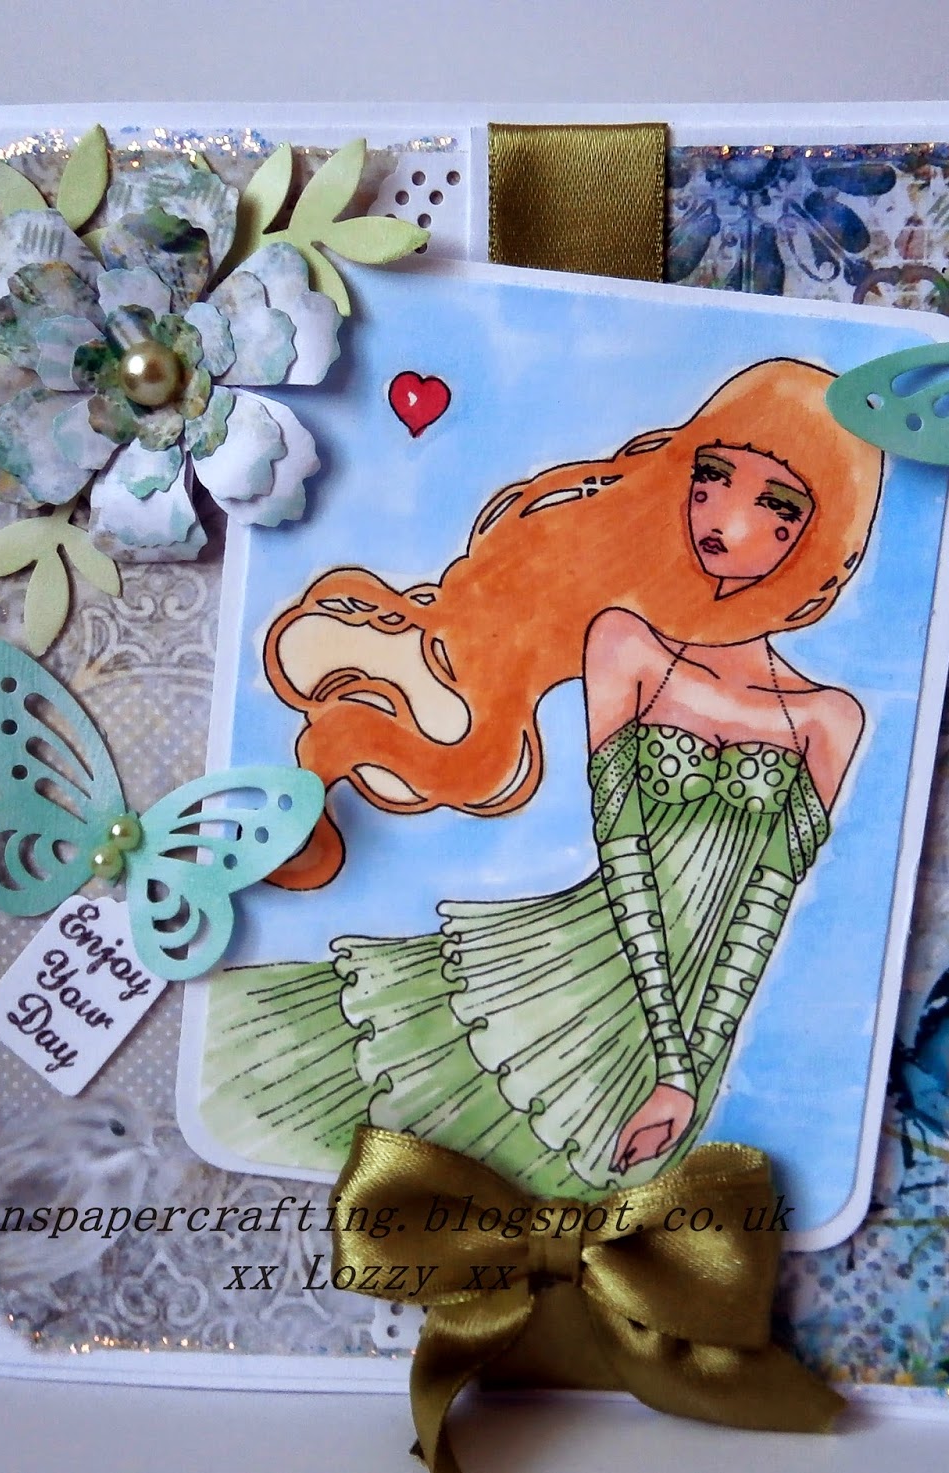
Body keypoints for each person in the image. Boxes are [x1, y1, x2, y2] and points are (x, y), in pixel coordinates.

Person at [197, 358, 884, 1198]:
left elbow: (761, 916)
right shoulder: (627, 647)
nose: (724, 515)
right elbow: (628, 863)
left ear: (821, 537)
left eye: (776, 503)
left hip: (687, 1038)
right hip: (567, 980)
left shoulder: (828, 719)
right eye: (711, 476)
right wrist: (673, 1064)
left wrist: (688, 1073)